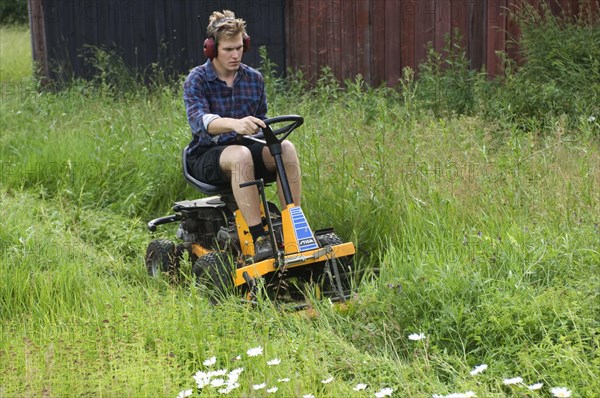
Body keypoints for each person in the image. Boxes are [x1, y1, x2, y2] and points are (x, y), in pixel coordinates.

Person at [183, 10, 302, 261]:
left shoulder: (254, 79)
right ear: (212, 49)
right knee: (240, 155)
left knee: (286, 148)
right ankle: (258, 238)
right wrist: (234, 124)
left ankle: (294, 229)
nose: (235, 54)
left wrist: (259, 128)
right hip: (207, 155)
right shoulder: (197, 79)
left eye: (239, 47)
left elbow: (261, 121)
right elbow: (199, 121)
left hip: (247, 147)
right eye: (228, 49)